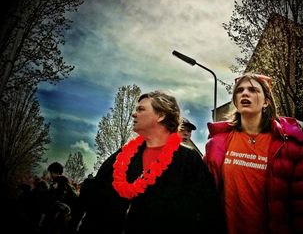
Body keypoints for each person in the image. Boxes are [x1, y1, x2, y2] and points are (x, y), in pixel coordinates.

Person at [77, 90, 226, 234]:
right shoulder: (121, 156)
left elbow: (208, 212)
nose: (134, 114)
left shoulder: (188, 160)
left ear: (161, 115)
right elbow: (95, 202)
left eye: (141, 109)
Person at [203, 73, 303, 234]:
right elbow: (203, 197)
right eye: (240, 90)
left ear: (266, 102)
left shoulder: (288, 146)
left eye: (253, 90)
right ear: (235, 102)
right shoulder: (216, 144)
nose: (245, 93)